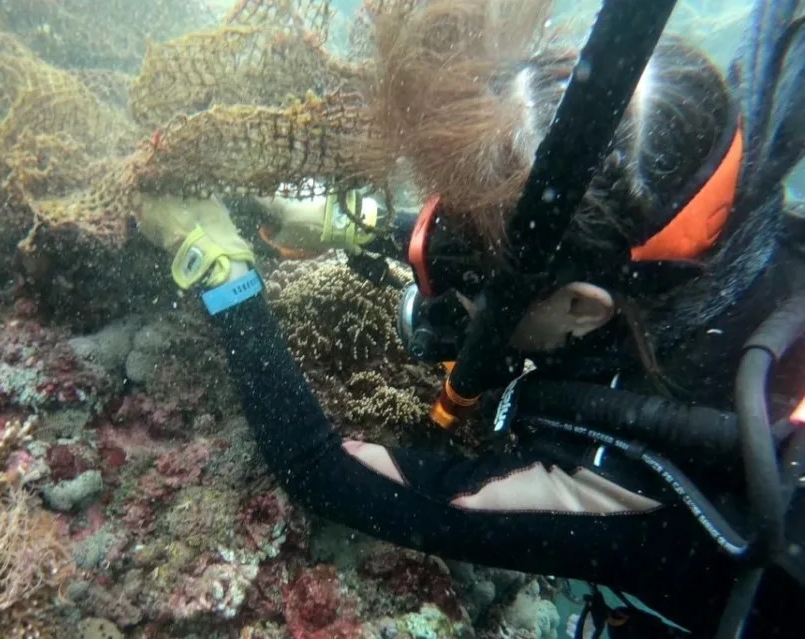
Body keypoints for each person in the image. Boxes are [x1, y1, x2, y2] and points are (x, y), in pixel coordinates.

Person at [137, 0, 805, 636]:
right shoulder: (705, 215)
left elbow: (323, 472)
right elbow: (524, 238)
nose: (437, 284)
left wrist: (220, 267)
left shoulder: (633, 484)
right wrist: (357, 226)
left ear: (582, 305)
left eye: (466, 273)